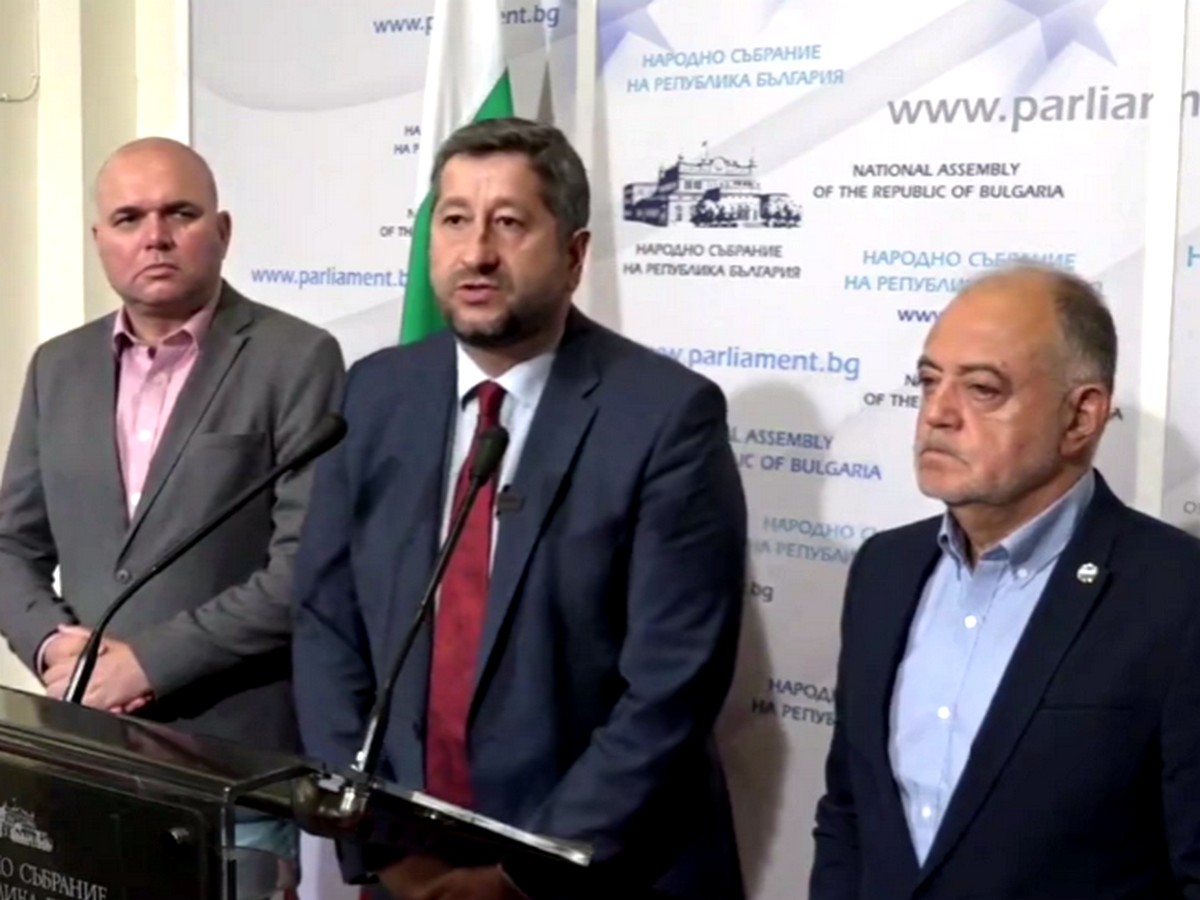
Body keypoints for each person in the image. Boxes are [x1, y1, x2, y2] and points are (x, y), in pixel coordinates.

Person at [292, 117, 747, 900]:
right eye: (454, 220)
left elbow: (672, 686)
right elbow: (326, 624)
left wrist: (517, 877)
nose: (476, 253)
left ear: (573, 253)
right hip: (407, 868)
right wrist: (382, 846)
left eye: (508, 223)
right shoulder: (375, 393)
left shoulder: (666, 417)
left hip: (593, 875)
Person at [0, 137, 346, 897]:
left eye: (179, 214)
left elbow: (303, 570)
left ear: (222, 231)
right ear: (100, 239)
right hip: (84, 756)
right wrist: (55, 645)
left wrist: (148, 663)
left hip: (230, 771)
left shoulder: (296, 358)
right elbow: (10, 546)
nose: (154, 236)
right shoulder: (57, 366)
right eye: (129, 218)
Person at [809, 264, 1200, 898]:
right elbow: (849, 814)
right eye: (929, 381)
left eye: (982, 390)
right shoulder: (884, 570)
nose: (937, 414)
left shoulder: (1177, 596)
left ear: (1081, 417)